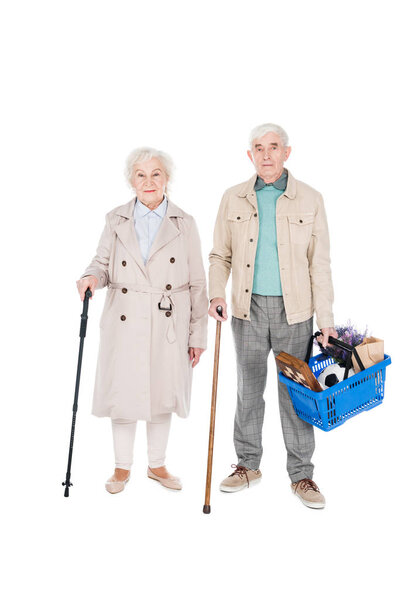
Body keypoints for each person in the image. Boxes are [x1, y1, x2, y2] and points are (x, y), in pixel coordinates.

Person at [208, 123, 337, 509]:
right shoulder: (233, 198)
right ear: (250, 155)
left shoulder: (310, 199)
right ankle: (247, 465)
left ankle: (302, 476)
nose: (266, 154)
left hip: (295, 313)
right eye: (258, 148)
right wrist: (217, 292)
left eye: (273, 147)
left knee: (294, 395)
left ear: (287, 153)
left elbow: (321, 265)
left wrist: (325, 318)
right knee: (248, 390)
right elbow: (220, 256)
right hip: (247, 310)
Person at [77, 147, 208, 494]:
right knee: (123, 392)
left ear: (167, 179)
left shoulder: (185, 223)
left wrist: (198, 335)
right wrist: (91, 278)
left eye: (156, 174)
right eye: (141, 175)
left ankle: (157, 464)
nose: (148, 181)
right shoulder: (115, 219)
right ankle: (121, 467)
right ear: (131, 180)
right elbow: (102, 264)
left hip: (168, 321)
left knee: (162, 392)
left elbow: (197, 283)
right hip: (124, 318)